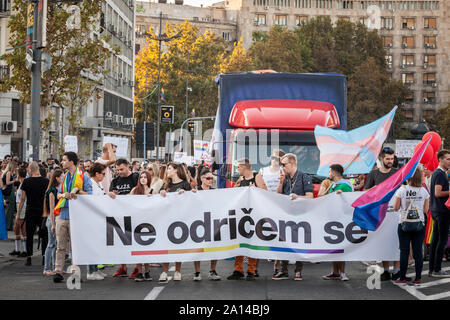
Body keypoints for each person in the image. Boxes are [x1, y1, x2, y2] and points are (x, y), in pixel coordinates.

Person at [53, 152, 93, 283]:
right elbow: (58, 194)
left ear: (71, 162)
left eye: (64, 160)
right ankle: (58, 271)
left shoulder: (84, 177)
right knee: (60, 245)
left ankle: (75, 272)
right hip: (63, 214)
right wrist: (64, 195)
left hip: (76, 215)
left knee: (75, 246)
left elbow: (89, 195)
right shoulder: (64, 177)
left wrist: (77, 191)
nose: (62, 162)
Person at [273, 153, 313, 281]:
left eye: (284, 164)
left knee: (298, 243)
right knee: (283, 242)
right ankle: (283, 270)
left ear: (292, 163)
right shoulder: (285, 178)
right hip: (286, 215)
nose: (282, 167)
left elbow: (310, 197)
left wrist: (298, 197)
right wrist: (280, 182)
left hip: (300, 215)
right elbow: (277, 194)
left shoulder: (304, 177)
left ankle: (298, 271)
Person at [364, 147, 402, 281]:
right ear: (382, 159)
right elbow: (366, 191)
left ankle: (396, 270)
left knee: (396, 242)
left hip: (396, 214)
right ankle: (386, 270)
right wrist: (376, 189)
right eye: (388, 159)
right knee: (384, 242)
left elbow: (402, 190)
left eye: (392, 159)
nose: (390, 161)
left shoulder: (398, 173)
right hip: (380, 215)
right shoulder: (374, 174)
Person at [227, 158, 267, 281]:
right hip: (241, 216)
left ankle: (252, 270)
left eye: (238, 167)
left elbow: (265, 193)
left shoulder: (257, 177)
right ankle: (238, 270)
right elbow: (233, 195)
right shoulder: (241, 179)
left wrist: (255, 189)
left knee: (253, 242)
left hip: (254, 215)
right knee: (240, 241)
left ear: (244, 167)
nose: (237, 169)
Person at [393, 166, 429, 284]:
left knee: (404, 251)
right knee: (417, 251)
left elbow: (396, 207)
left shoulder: (402, 190)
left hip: (404, 223)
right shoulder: (424, 191)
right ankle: (418, 278)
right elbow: (426, 210)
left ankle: (402, 277)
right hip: (419, 224)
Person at [159, 162, 192, 283]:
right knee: (166, 246)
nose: (167, 171)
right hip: (167, 219)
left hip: (180, 219)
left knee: (179, 245)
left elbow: (192, 199)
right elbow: (158, 200)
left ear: (176, 171)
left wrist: (186, 194)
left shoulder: (185, 184)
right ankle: (165, 271)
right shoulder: (166, 185)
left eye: (169, 169)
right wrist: (161, 193)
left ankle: (178, 271)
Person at [322, 164, 353, 281]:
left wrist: (342, 195)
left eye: (330, 172)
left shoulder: (345, 185)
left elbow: (349, 200)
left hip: (342, 220)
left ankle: (343, 273)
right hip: (332, 219)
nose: (328, 174)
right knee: (334, 247)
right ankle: (335, 272)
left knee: (341, 247)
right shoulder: (333, 185)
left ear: (334, 173)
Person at [109, 159, 139, 278]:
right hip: (120, 214)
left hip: (134, 214)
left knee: (136, 241)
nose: (119, 172)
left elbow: (140, 192)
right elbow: (110, 195)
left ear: (128, 166)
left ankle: (138, 267)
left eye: (121, 169)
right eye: (117, 170)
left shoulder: (135, 177)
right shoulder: (115, 180)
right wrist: (112, 194)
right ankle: (123, 267)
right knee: (121, 241)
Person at [15, 162, 49, 266]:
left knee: (29, 234)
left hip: (30, 210)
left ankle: (29, 257)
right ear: (38, 169)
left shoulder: (26, 181)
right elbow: (46, 197)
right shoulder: (46, 181)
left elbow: (23, 199)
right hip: (42, 211)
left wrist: (18, 214)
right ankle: (44, 256)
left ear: (30, 169)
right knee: (44, 235)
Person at [258, 149, 285, 275]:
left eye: (278, 158)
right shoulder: (263, 171)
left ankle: (278, 255)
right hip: (265, 203)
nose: (275, 160)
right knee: (266, 229)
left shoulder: (284, 171)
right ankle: (268, 252)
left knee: (279, 230)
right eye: (273, 158)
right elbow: (258, 185)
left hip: (280, 204)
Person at [193, 168, 221, 281]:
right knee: (198, 248)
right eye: (208, 178)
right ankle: (197, 272)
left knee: (214, 247)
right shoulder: (195, 190)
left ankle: (212, 271)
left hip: (212, 221)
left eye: (212, 178)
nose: (210, 180)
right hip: (198, 222)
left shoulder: (215, 191)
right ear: (201, 179)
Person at [86, 162, 110, 280]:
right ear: (97, 173)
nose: (104, 176)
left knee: (97, 244)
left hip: (98, 218)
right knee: (92, 245)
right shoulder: (91, 184)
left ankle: (95, 269)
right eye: (103, 174)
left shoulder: (97, 183)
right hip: (92, 218)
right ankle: (90, 271)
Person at [428, 149, 450, 277]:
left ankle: (432, 269)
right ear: (440, 159)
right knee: (441, 240)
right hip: (442, 211)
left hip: (436, 210)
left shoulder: (437, 173)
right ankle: (437, 269)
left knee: (435, 240)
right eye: (448, 159)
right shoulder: (440, 174)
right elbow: (437, 193)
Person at [130, 171, 153, 282]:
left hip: (150, 223)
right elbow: (127, 202)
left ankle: (147, 271)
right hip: (137, 222)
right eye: (141, 177)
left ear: (149, 178)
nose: (143, 179)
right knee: (138, 248)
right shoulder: (135, 190)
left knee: (147, 248)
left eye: (145, 177)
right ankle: (139, 272)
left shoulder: (153, 191)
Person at [42, 169, 63, 276]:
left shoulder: (59, 190)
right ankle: (47, 268)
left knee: (56, 244)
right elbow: (51, 209)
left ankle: (56, 267)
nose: (63, 178)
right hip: (52, 219)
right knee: (51, 244)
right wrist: (53, 225)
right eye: (61, 176)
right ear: (57, 178)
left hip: (57, 218)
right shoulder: (51, 191)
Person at [9, 168, 28, 257]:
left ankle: (25, 250)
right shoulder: (21, 184)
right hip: (20, 206)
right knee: (17, 228)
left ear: (19, 175)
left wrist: (18, 213)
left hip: (22, 207)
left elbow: (23, 199)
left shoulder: (24, 184)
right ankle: (17, 249)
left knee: (22, 227)